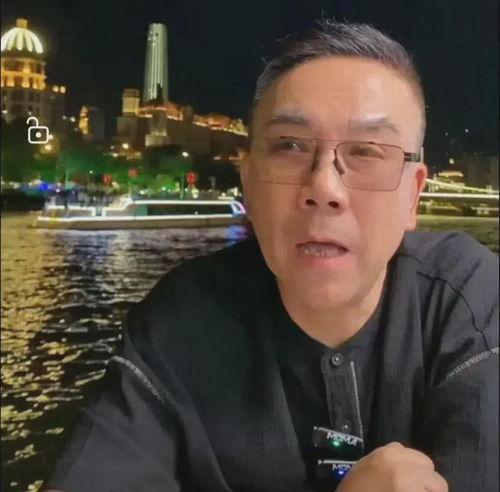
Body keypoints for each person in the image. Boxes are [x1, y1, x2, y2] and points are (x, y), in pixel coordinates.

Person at [44, 19, 498, 492]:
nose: (324, 187)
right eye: (290, 146)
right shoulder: (178, 328)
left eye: (366, 152)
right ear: (250, 183)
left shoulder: (467, 305)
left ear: (413, 195)